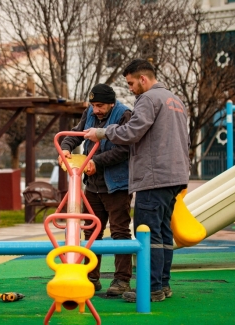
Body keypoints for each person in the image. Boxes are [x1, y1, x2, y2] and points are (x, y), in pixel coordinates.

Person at [84, 59, 190, 303]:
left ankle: (150, 288)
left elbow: (132, 131)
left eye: (131, 83)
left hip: (154, 177)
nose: (130, 89)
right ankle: (162, 285)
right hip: (174, 176)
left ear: (143, 79)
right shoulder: (175, 100)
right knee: (163, 234)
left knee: (146, 234)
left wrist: (102, 132)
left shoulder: (149, 99)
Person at [59, 83, 134, 297]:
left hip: (116, 184)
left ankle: (121, 279)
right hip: (93, 185)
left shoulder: (123, 115)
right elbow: (76, 134)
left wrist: (96, 163)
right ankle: (91, 276)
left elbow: (124, 149)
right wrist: (65, 147)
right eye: (93, 105)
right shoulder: (89, 114)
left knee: (120, 231)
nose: (96, 110)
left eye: (100, 105)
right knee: (91, 231)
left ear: (111, 103)